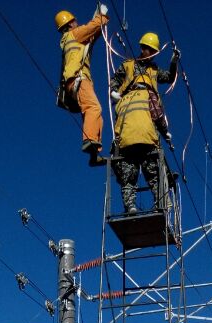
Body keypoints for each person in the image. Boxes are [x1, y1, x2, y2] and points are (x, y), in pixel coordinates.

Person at [110, 32, 179, 214]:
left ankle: (137, 206)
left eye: (154, 52)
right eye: (150, 50)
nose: (152, 54)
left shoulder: (152, 71)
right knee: (147, 172)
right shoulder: (135, 72)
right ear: (143, 48)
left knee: (131, 173)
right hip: (143, 136)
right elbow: (156, 113)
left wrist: (173, 62)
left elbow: (170, 77)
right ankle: (160, 205)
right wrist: (165, 132)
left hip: (127, 135)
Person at [55, 6, 109, 166]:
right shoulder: (75, 34)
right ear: (70, 24)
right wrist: (103, 17)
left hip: (72, 83)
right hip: (79, 79)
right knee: (94, 108)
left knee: (92, 114)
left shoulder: (69, 40)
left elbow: (92, 36)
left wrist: (99, 24)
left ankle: (94, 154)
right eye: (74, 21)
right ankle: (90, 140)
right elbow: (92, 27)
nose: (77, 23)